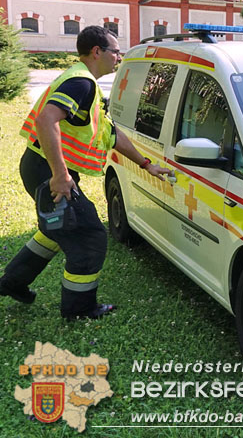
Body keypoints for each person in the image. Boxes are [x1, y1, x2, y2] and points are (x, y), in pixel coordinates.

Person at [0, 26, 172, 319]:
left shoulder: (84, 81)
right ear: (97, 52)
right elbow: (46, 120)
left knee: (56, 230)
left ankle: (12, 283)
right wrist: (59, 175)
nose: (118, 57)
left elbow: (110, 132)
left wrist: (146, 165)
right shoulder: (81, 83)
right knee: (90, 236)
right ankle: (79, 310)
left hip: (42, 167)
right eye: (115, 51)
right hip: (48, 171)